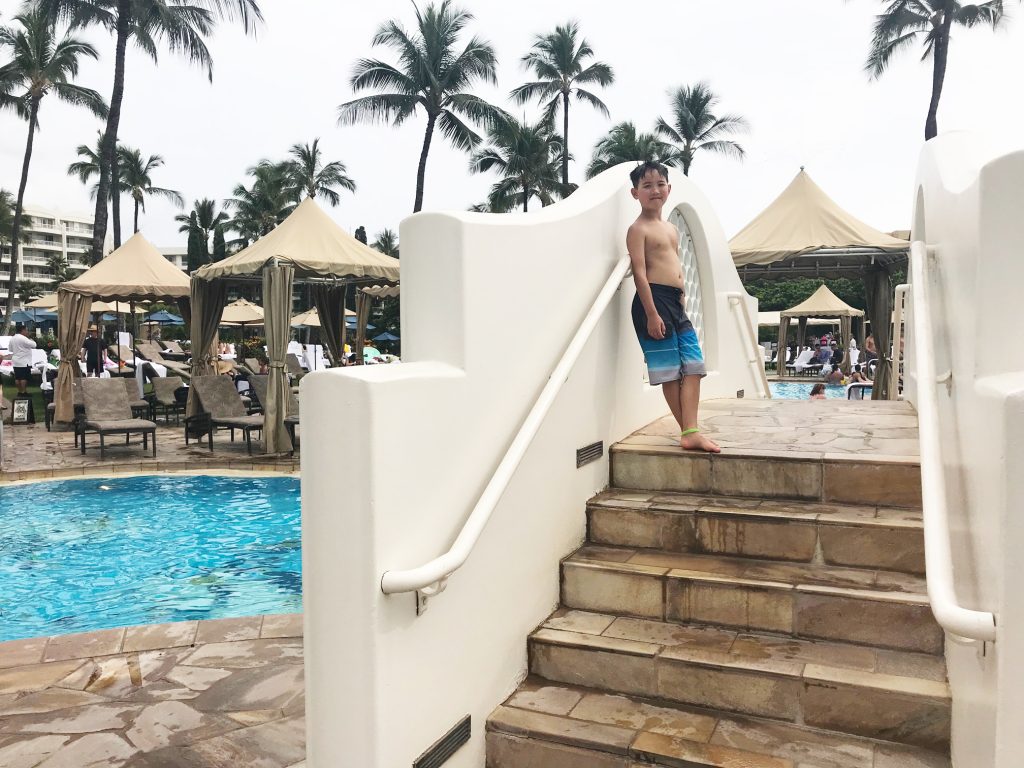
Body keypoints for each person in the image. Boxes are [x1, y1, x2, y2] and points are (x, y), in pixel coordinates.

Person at [626, 161, 719, 453]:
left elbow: (675, 264)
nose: (655, 190)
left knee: (693, 366)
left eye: (660, 184)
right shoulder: (638, 229)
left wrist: (681, 295)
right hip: (653, 302)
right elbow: (640, 273)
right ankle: (690, 432)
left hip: (675, 303)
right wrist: (652, 313)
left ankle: (690, 431)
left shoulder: (671, 228)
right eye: (647, 186)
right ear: (635, 193)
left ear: (669, 189)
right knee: (670, 371)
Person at [9, 323, 36, 396]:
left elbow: (10, 349)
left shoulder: (13, 338)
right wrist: (30, 339)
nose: (28, 332)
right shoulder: (23, 338)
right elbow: (34, 345)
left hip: (16, 361)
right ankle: (24, 392)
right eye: (27, 330)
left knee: (17, 378)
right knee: (23, 377)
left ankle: (20, 391)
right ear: (23, 330)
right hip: (24, 361)